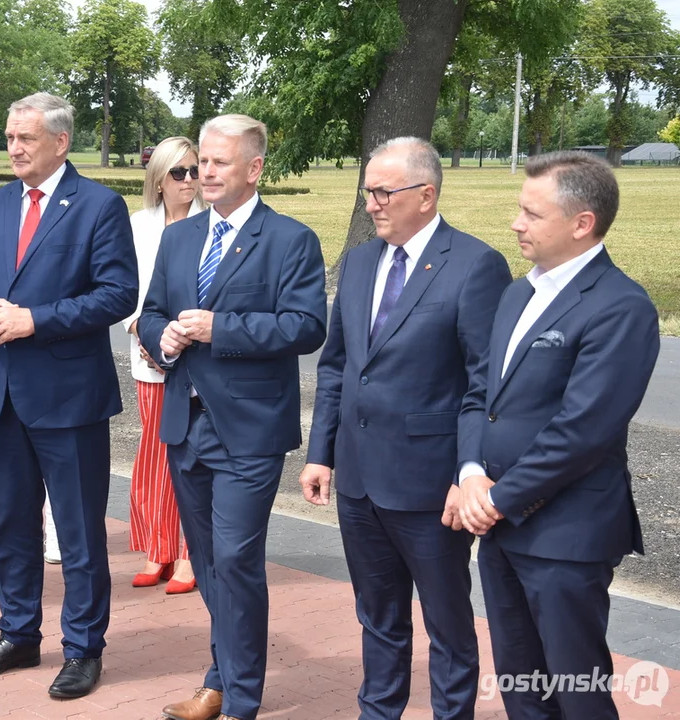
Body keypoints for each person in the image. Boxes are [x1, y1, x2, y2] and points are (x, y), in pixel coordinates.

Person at [300, 137, 512, 720]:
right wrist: (323, 453)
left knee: (447, 625)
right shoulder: (363, 259)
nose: (371, 203)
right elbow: (340, 364)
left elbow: (484, 385)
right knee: (378, 617)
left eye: (383, 191)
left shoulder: (475, 264)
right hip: (360, 479)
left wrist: (468, 475)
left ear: (427, 194)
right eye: (368, 191)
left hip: (430, 486)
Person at [454, 151, 659, 719]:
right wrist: (471, 474)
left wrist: (495, 499)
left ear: (581, 223)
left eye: (531, 213)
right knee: (521, 689)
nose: (516, 223)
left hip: (566, 536)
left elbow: (583, 431)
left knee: (577, 690)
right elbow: (479, 396)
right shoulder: (518, 294)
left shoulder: (621, 308)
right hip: (500, 530)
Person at [138, 115, 327, 720]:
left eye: (218, 163)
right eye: (198, 165)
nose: (203, 174)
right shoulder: (179, 237)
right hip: (183, 425)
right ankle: (222, 677)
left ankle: (237, 696)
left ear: (254, 168)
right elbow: (150, 314)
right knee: (213, 561)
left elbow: (306, 326)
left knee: (237, 560)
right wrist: (162, 338)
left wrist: (225, 330)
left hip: (248, 431)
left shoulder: (290, 240)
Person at [0, 92, 137, 699]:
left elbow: (118, 295)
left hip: (68, 398)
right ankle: (19, 633)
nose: (13, 148)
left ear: (60, 142)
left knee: (79, 532)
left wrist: (36, 319)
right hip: (1, 395)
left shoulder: (99, 207)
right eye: (8, 137)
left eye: (25, 138)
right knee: (10, 525)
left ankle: (84, 647)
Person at [123, 136, 203, 594]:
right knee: (154, 454)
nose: (190, 180)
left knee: (191, 453)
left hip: (197, 356)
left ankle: (191, 552)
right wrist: (140, 329)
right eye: (179, 172)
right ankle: (158, 549)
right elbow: (124, 288)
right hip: (148, 355)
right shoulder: (139, 225)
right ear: (159, 178)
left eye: (194, 170)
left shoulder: (209, 223)